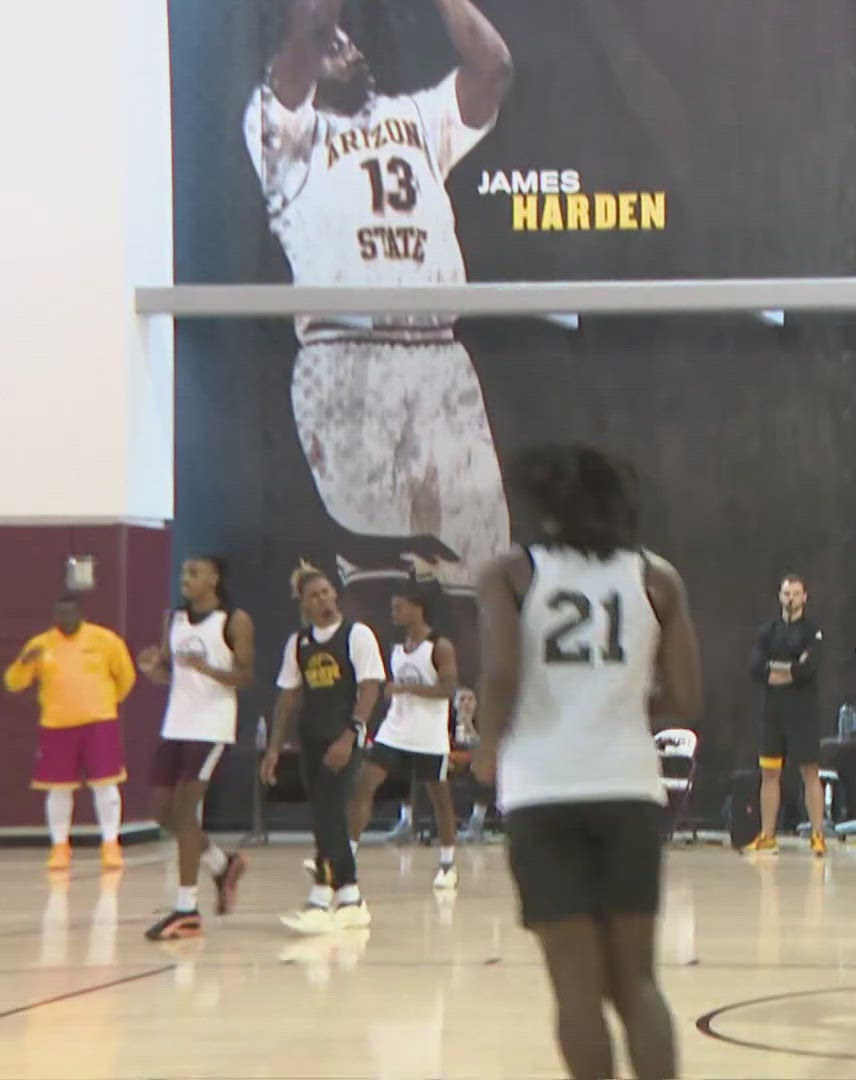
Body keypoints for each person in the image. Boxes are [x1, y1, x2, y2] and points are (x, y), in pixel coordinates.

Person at [244, 0, 514, 638]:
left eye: (352, 45)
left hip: (438, 356)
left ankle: (478, 726)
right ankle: (368, 717)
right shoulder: (281, 133)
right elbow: (307, 35)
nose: (348, 50)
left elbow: (494, 68)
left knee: (482, 571)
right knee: (375, 560)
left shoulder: (415, 116)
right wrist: (317, 28)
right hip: (346, 360)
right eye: (332, 47)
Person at [471, 444, 702, 1080]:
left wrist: (487, 746)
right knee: (638, 986)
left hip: (541, 791)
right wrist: (618, 706)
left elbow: (499, 672)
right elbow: (685, 698)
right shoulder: (657, 576)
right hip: (628, 787)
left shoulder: (509, 574)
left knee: (576, 993)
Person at [136, 556, 257, 941]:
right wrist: (155, 668)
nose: (185, 578)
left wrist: (205, 669)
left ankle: (187, 909)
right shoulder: (173, 618)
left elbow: (244, 676)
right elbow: (171, 674)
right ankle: (223, 863)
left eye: (194, 572)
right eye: (183, 572)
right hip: (176, 725)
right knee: (161, 811)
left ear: (214, 577)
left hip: (211, 726)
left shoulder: (234, 620)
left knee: (186, 812)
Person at [262, 563, 386, 934]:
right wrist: (273, 748)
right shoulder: (299, 643)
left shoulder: (357, 634)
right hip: (311, 738)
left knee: (333, 812)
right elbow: (288, 698)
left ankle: (320, 898)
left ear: (335, 594)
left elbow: (370, 689)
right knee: (323, 816)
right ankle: (350, 897)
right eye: (313, 595)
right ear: (304, 604)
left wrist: (350, 735)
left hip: (343, 738)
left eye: (326, 591)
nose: (322, 599)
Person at [7, 595, 136, 871]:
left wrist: (106, 702)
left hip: (99, 722)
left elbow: (126, 677)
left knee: (106, 784)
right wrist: (23, 662)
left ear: (81, 613)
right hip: (56, 725)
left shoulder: (105, 640)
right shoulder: (40, 645)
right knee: (58, 789)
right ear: (53, 616)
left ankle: (111, 844)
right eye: (59, 614)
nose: (64, 619)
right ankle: (59, 846)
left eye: (69, 613)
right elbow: (14, 683)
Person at [347, 583, 462, 890]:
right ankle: (347, 855)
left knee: (440, 799)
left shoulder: (439, 646)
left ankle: (448, 864)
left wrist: (406, 688)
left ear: (417, 608)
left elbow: (448, 691)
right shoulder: (399, 648)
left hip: (429, 735)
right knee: (363, 783)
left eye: (399, 607)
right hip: (394, 731)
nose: (393, 612)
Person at [745, 573, 828, 856]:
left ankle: (817, 835)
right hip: (773, 712)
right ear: (780, 597)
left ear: (805, 597)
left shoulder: (812, 631)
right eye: (785, 593)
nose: (790, 598)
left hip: (802, 712)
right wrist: (789, 669)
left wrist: (782, 670)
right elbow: (756, 668)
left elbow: (808, 669)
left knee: (810, 772)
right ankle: (767, 835)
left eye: (795, 593)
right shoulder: (767, 631)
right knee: (769, 772)